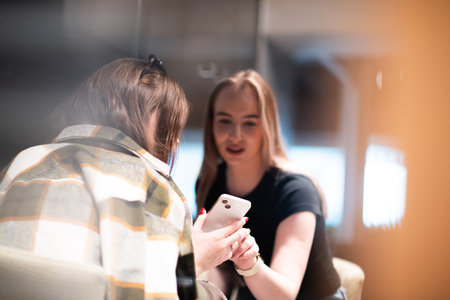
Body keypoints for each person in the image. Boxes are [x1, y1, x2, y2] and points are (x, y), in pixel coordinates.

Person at [0, 55, 248, 300]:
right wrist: (194, 260)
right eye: (173, 129)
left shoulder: (24, 162)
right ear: (156, 126)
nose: (176, 141)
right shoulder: (153, 188)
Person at [196, 69, 346, 300]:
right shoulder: (209, 183)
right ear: (211, 125)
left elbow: (284, 295)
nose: (235, 135)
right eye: (225, 121)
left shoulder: (297, 190)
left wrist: (248, 262)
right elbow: (223, 275)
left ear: (267, 127)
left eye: (249, 124)